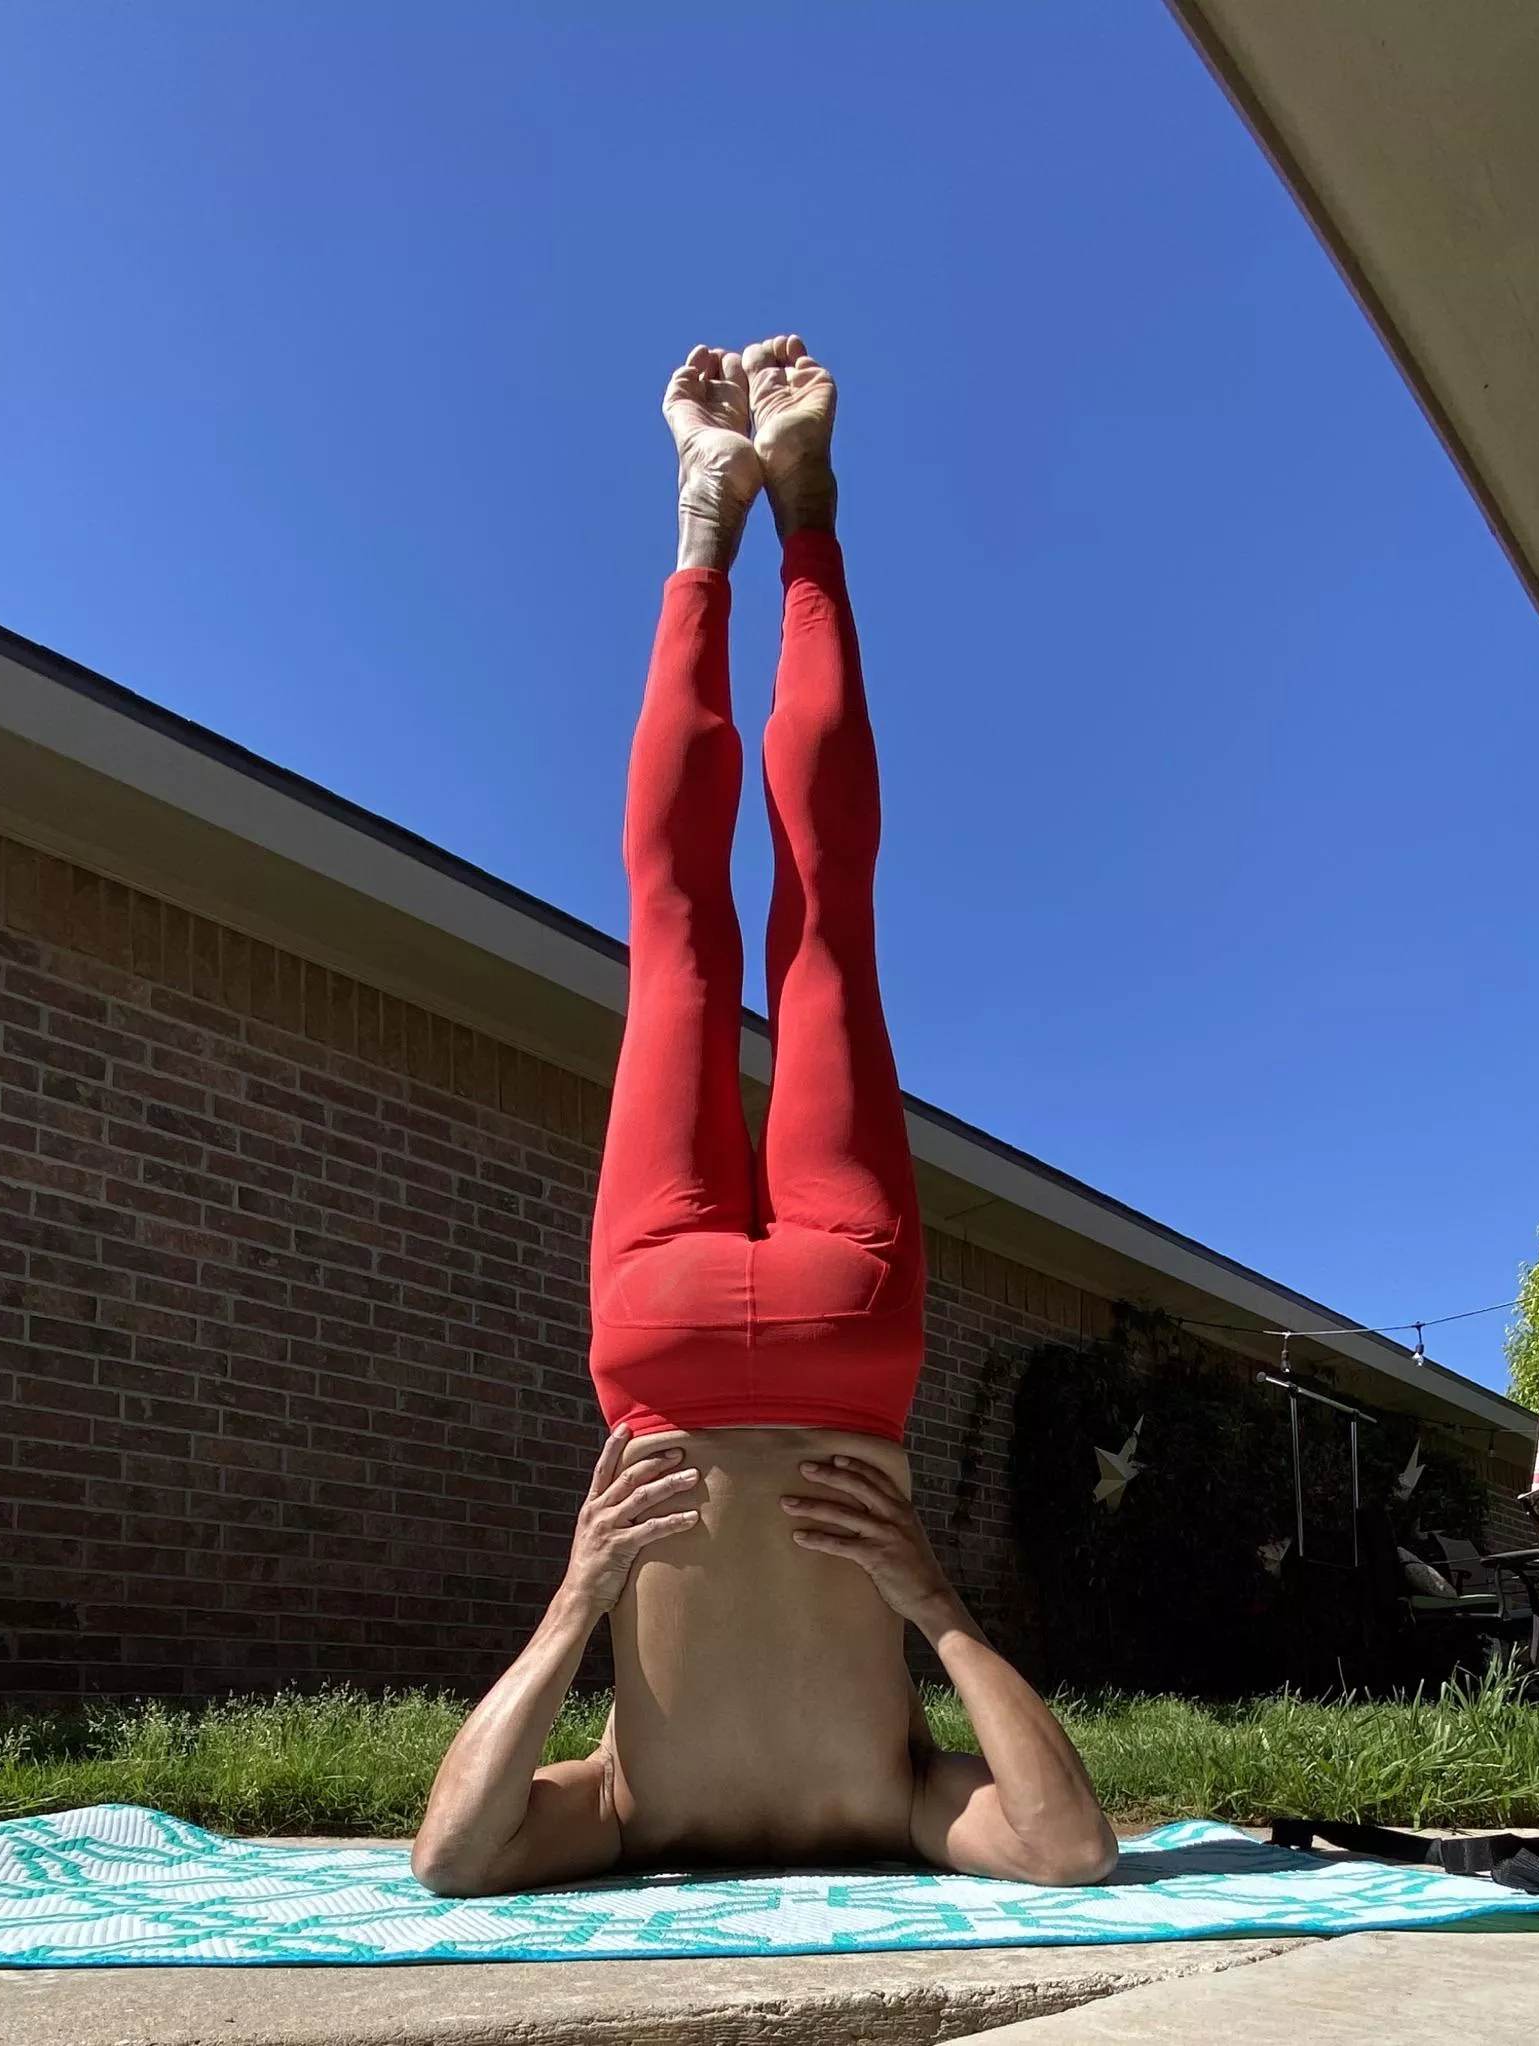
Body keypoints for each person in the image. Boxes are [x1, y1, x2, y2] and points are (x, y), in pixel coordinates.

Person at [412, 338, 1115, 1897]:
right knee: (742, 936)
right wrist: (932, 1610)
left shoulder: (610, 1813)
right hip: (826, 1352)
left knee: (763, 935)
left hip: (682, 1356)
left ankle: (740, 526)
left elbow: (448, 1859)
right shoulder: (911, 1809)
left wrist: (578, 1597)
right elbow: (1073, 1852)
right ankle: (763, 524)